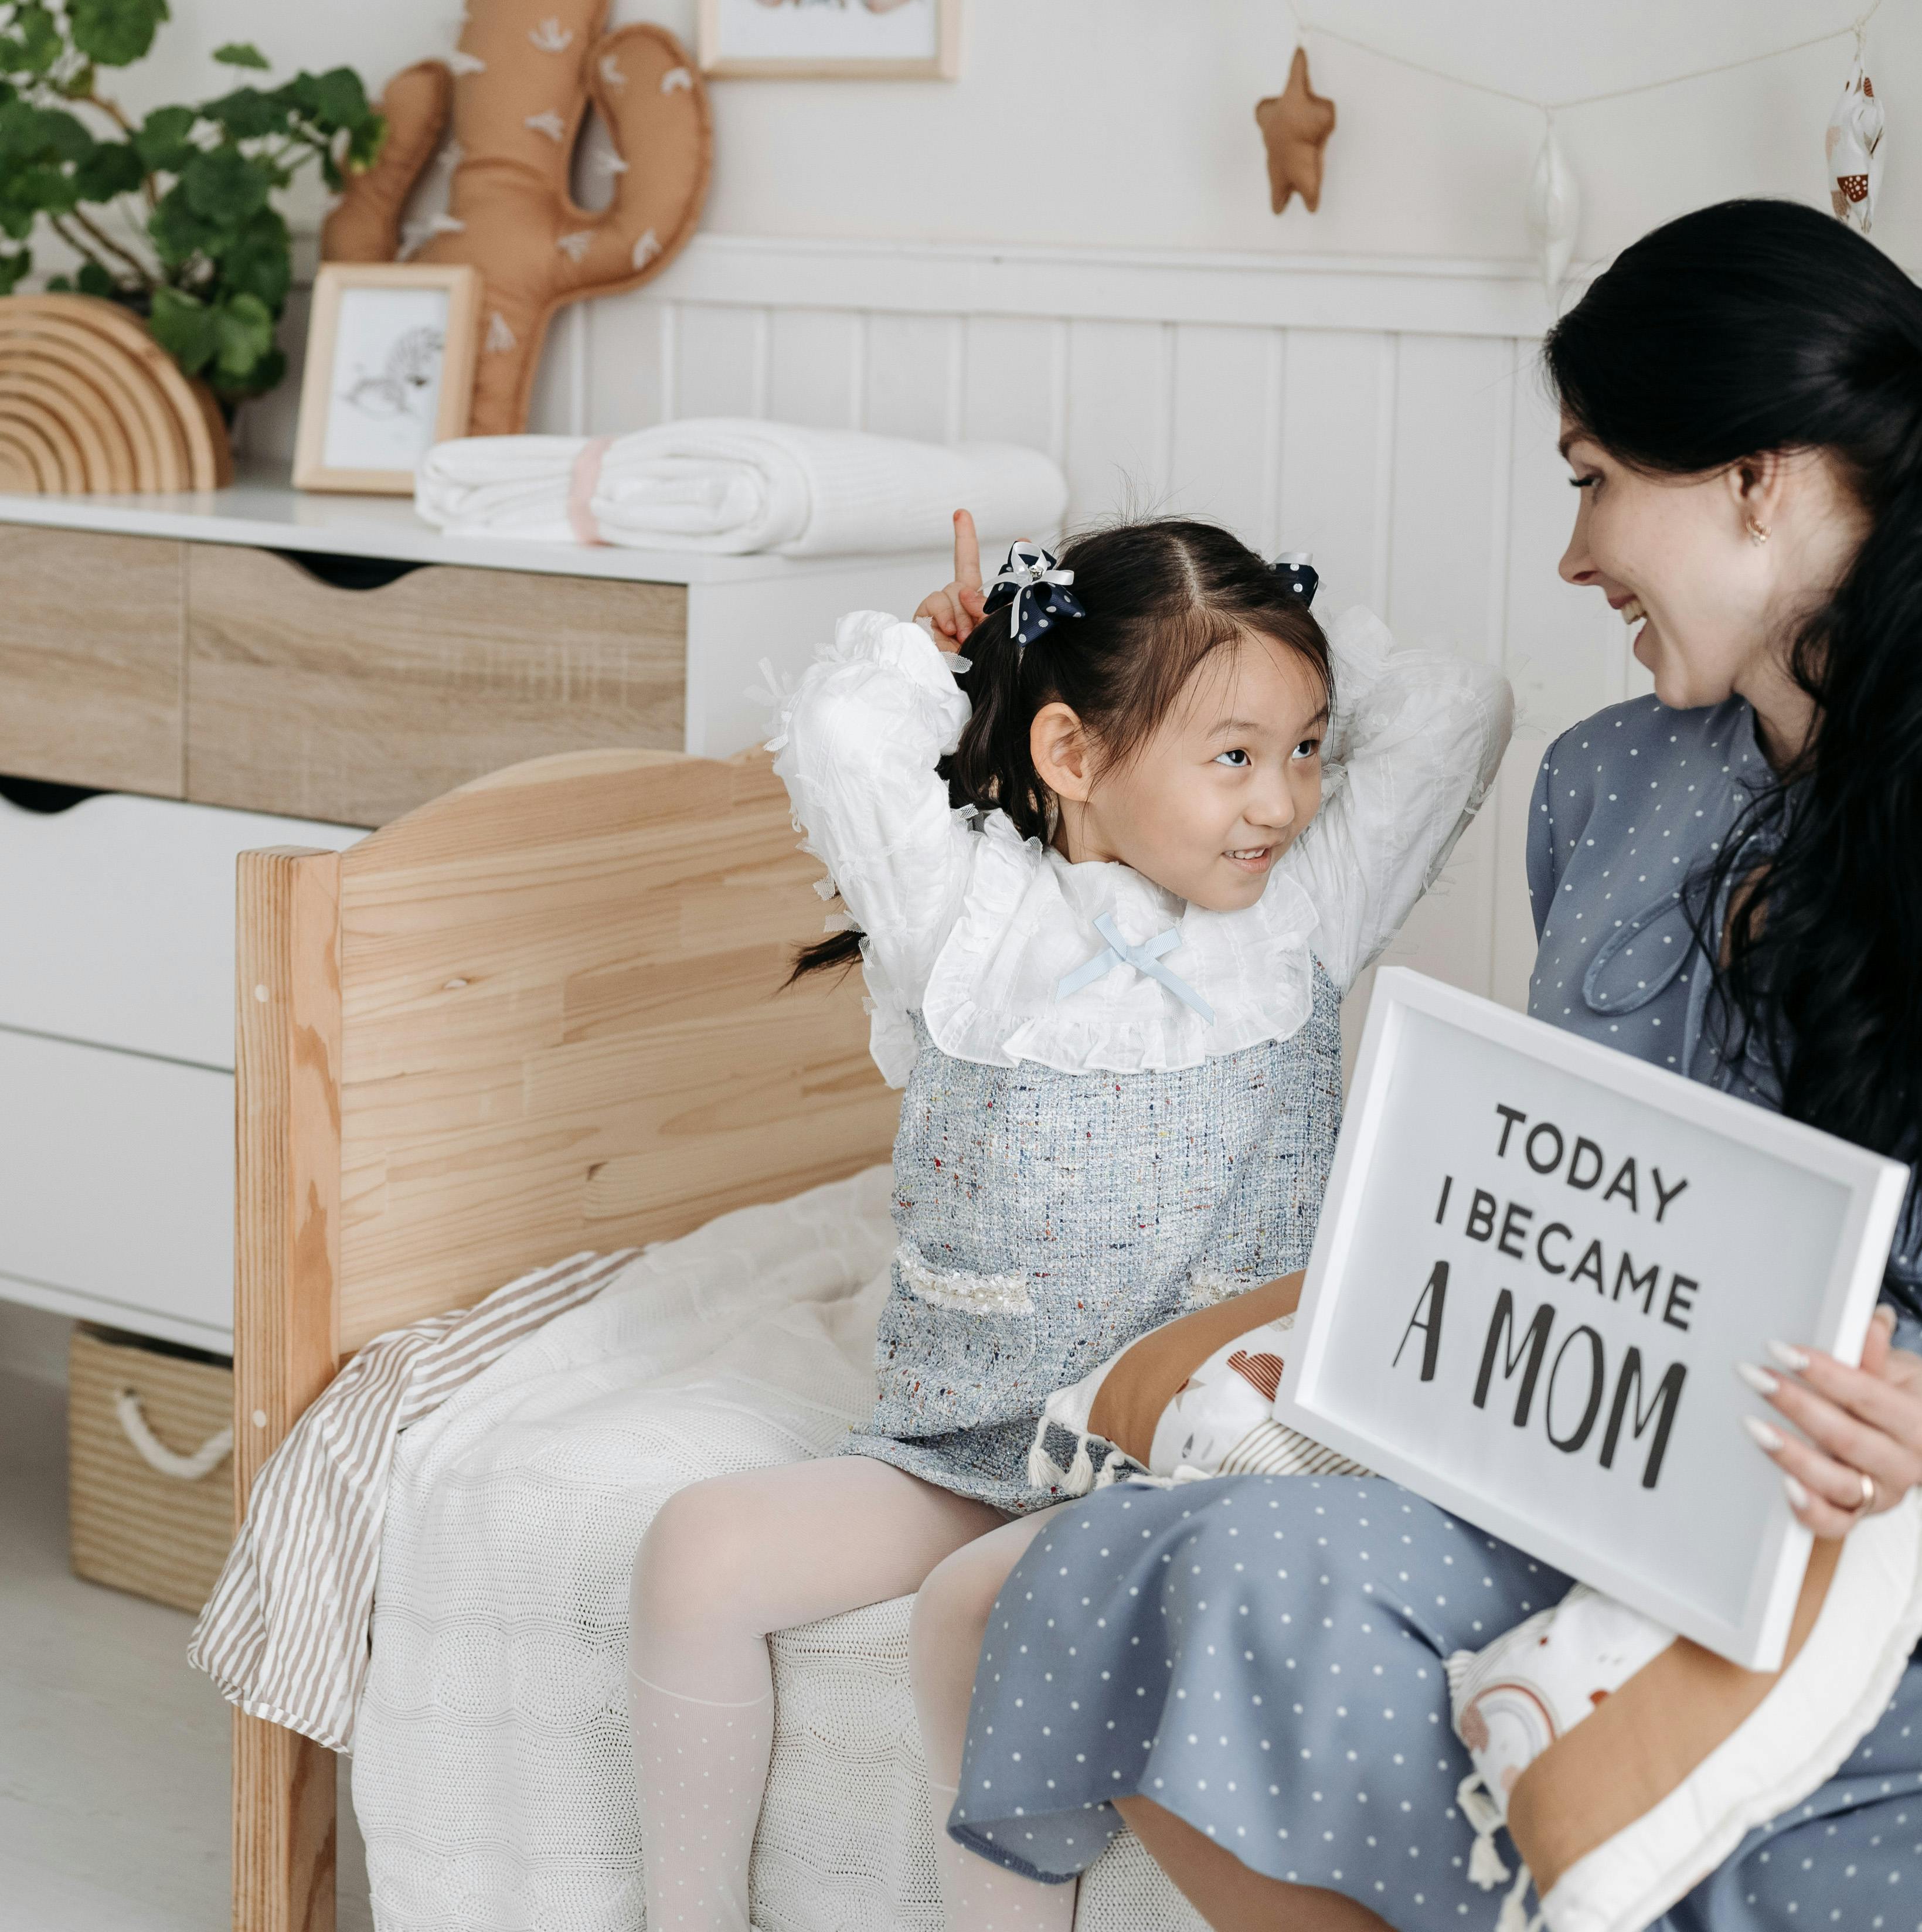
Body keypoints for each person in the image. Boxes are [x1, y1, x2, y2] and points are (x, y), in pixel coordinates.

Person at [950, 196, 1922, 1931]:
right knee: (1143, 1573)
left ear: (1758, 484)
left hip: (1908, 1535)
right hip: (1590, 1465)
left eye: (1590, 478)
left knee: (1731, 1843)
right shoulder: (1613, 786)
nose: (1573, 556)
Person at [629, 516, 1514, 1932]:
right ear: (1069, 755)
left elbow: (1458, 708)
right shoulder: (961, 916)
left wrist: (1262, 633)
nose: (1281, 801)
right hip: (966, 1444)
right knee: (694, 1550)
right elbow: (846, 733)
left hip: (1184, 1464)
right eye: (1231, 755)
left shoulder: (1302, 917)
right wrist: (950, 649)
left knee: (991, 1626)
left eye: (1301, 750)